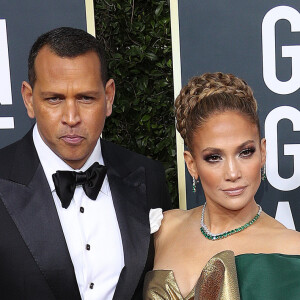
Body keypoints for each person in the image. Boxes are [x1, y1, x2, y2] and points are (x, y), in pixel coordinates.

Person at [0, 27, 170, 300]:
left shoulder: (148, 176)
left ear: (109, 97)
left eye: (86, 98)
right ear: (29, 100)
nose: (71, 117)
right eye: (54, 98)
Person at [144, 72, 300, 300]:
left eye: (245, 152)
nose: (233, 173)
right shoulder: (164, 230)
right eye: (214, 157)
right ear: (192, 164)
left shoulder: (291, 249)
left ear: (263, 152)